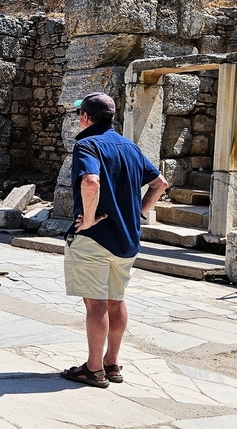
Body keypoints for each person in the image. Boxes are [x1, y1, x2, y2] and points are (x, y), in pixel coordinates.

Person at [60, 92, 168, 388]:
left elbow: (90, 181)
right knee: (116, 301)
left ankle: (93, 369)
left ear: (85, 117)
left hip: (94, 239)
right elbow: (160, 183)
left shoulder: (87, 144)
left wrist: (91, 217)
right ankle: (112, 363)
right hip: (126, 240)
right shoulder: (130, 147)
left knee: (95, 305)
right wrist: (138, 213)